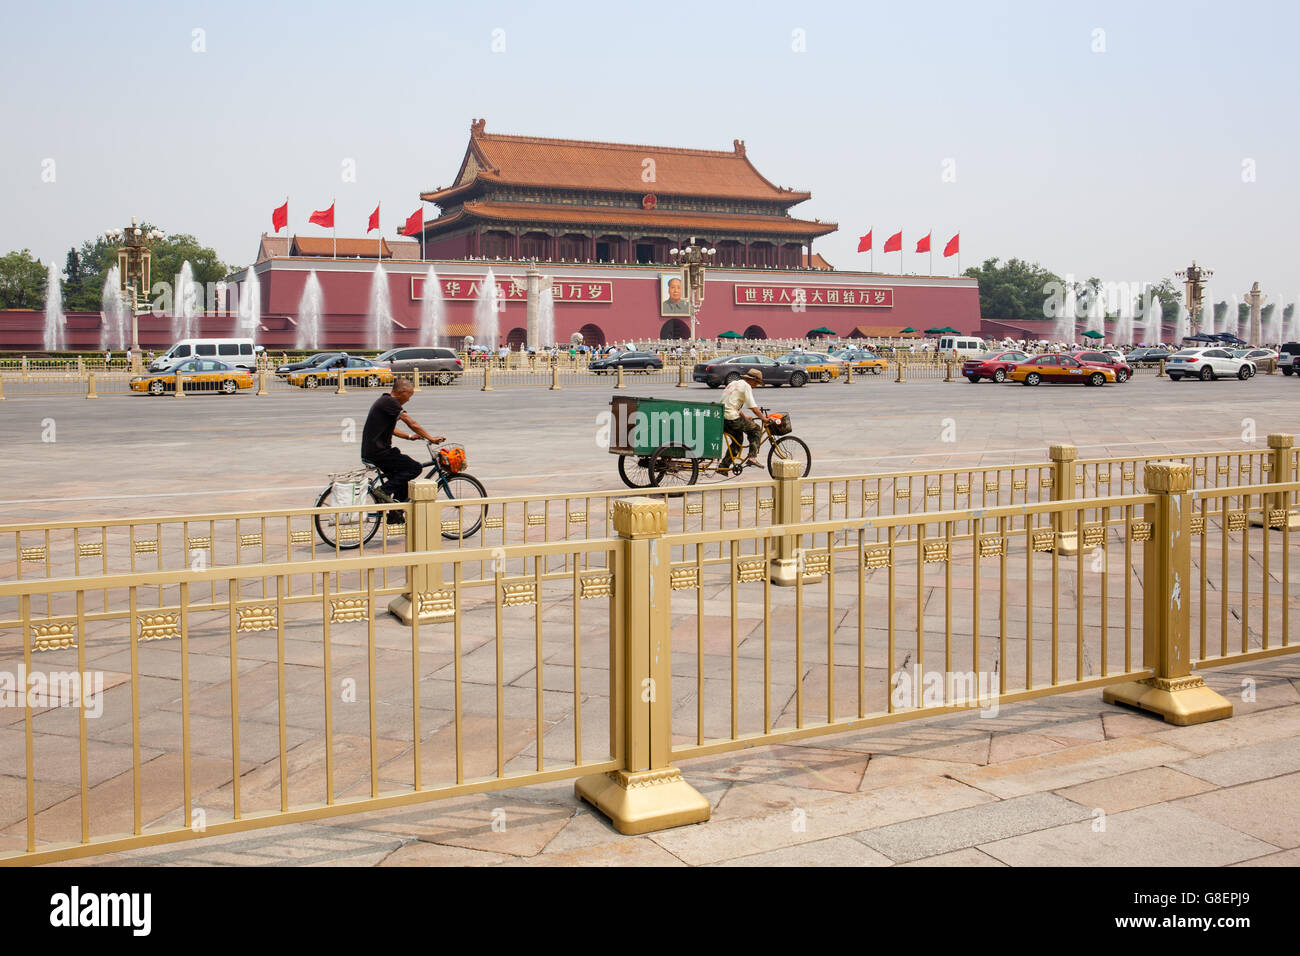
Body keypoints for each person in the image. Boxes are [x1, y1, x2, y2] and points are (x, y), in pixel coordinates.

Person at [360, 377, 444, 509]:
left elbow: (391, 429)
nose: (408, 400)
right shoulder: (390, 402)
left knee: (403, 482)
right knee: (415, 468)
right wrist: (431, 438)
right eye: (409, 396)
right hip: (379, 452)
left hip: (374, 451)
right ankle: (383, 491)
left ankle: (396, 514)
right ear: (402, 392)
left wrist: (409, 437)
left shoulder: (385, 401)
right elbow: (411, 423)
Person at [722, 369, 769, 466]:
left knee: (738, 440)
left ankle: (724, 466)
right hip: (732, 419)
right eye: (756, 383)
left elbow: (732, 405)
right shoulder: (746, 386)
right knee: (756, 429)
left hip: (722, 418)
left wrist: (745, 417)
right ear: (751, 380)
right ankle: (752, 457)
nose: (755, 386)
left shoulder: (734, 383)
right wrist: (764, 419)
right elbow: (754, 408)